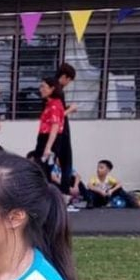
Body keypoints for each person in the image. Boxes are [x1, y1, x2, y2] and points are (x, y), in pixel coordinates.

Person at [34, 76, 64, 184]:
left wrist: (48, 147)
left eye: (43, 86)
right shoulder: (50, 104)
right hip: (44, 138)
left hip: (48, 140)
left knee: (42, 170)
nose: (40, 89)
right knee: (41, 169)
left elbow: (55, 126)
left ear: (52, 89)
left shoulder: (55, 105)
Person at [55, 63, 76, 195]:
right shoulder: (57, 91)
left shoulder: (52, 88)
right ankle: (64, 195)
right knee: (66, 164)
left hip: (55, 132)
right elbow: (56, 115)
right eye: (69, 80)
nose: (68, 83)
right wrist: (71, 109)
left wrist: (66, 107)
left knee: (51, 164)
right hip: (61, 132)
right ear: (64, 77)